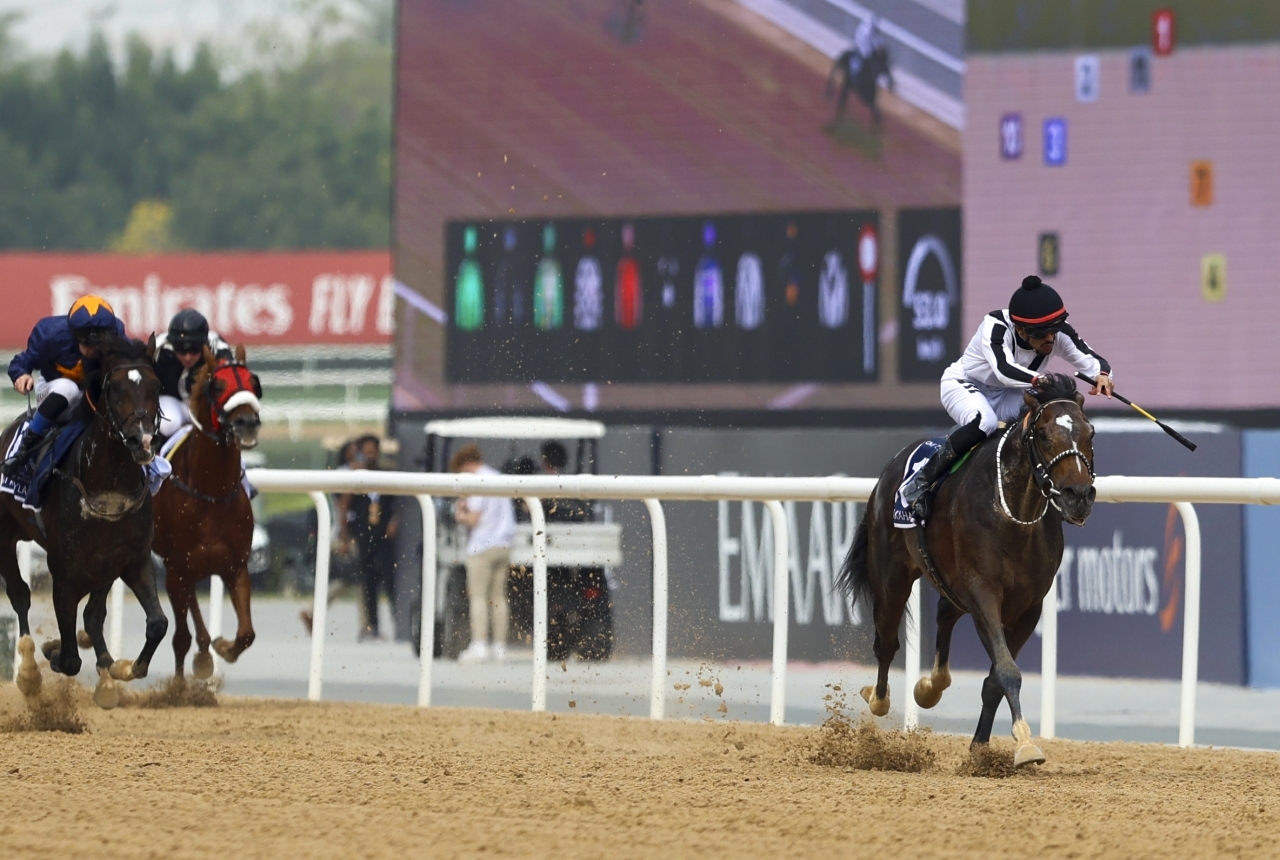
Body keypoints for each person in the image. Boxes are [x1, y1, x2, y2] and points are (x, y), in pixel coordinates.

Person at [902, 275, 1114, 522]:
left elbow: (1090, 358)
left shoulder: (1055, 334)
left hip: (1007, 393)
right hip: (965, 385)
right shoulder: (995, 326)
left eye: (1054, 332)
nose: (1051, 339)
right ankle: (921, 482)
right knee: (985, 422)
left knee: (1047, 417)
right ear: (1021, 330)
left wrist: (1102, 376)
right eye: (1043, 333)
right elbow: (1004, 369)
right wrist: (1037, 380)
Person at [3, 295, 127, 478]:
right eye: (87, 343)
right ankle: (26, 447)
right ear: (74, 335)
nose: (94, 349)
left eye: (100, 343)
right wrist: (21, 375)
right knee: (68, 388)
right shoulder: (49, 335)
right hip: (54, 391)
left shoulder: (118, 334)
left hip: (92, 396)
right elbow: (22, 361)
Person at [450, 443, 515, 663]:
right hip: (504, 544)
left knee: (478, 596)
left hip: (482, 545)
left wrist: (460, 515)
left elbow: (474, 518)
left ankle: (479, 644)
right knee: (498, 598)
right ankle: (499, 647)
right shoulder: (497, 476)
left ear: (467, 464)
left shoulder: (477, 480)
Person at [340, 436, 400, 641]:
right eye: (366, 450)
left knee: (390, 581)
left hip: (384, 536)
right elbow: (344, 506)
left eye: (373, 449)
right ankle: (372, 626)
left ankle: (398, 623)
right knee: (368, 582)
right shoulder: (357, 476)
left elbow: (397, 503)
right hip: (364, 536)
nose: (370, 453)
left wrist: (394, 521)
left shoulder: (387, 475)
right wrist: (345, 537)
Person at [154, 308, 233, 441]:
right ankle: (158, 458)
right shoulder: (158, 348)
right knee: (169, 422)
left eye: (195, 350)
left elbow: (232, 382)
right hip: (172, 402)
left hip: (206, 404)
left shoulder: (217, 348)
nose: (188, 357)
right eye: (181, 351)